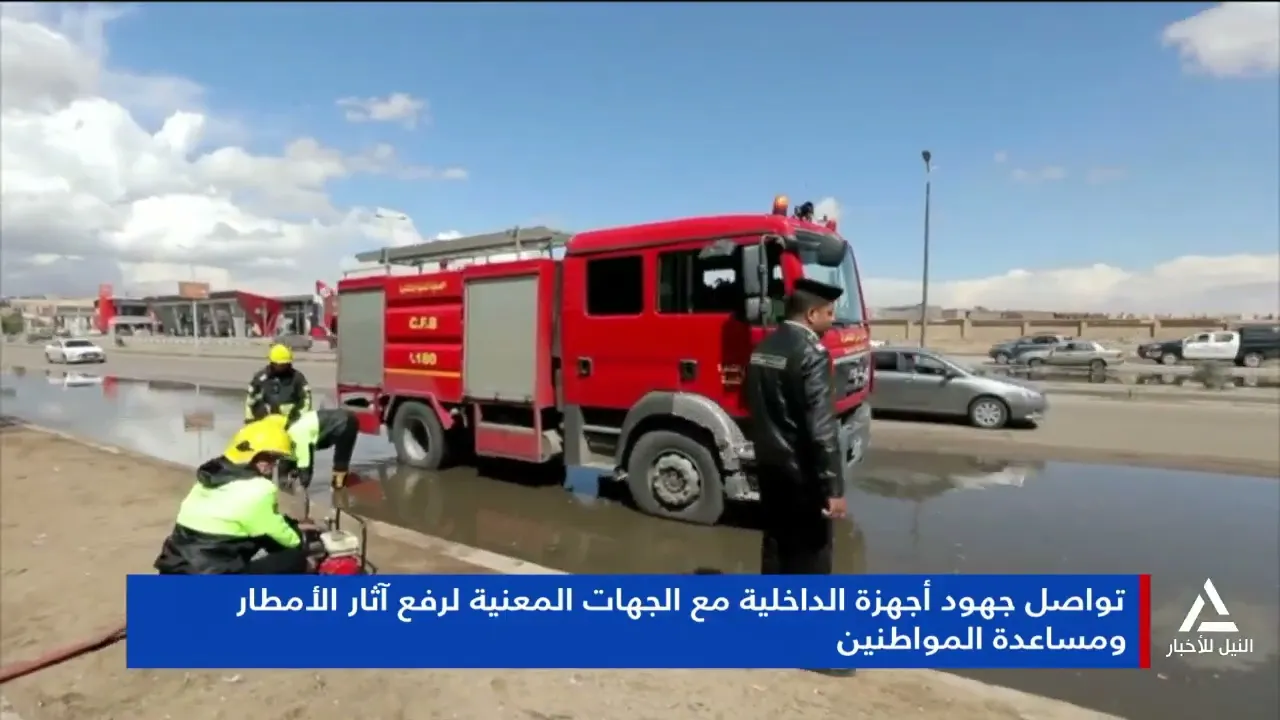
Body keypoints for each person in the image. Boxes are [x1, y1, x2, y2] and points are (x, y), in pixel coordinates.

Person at [743, 277, 848, 576]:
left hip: (770, 470)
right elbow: (822, 429)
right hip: (803, 478)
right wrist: (833, 488)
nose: (833, 320)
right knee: (811, 556)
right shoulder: (811, 354)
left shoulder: (764, 347)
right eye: (829, 313)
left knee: (775, 546)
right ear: (811, 315)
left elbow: (755, 406)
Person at [154, 417, 311, 574]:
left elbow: (245, 518)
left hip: (173, 568)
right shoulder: (259, 488)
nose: (273, 465)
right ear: (253, 456)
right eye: (270, 458)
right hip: (210, 579)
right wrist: (304, 539)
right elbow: (287, 538)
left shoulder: (207, 480)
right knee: (295, 559)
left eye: (275, 460)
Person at [285, 408, 360, 490]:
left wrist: (302, 486)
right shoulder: (293, 430)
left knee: (341, 459)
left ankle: (338, 489)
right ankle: (338, 486)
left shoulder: (298, 436)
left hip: (346, 422)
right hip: (333, 420)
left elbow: (305, 463)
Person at [244, 344, 312, 424]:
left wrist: (299, 417)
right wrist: (249, 419)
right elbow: (250, 400)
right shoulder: (261, 378)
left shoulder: (297, 378)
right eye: (279, 365)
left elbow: (306, 400)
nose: (282, 367)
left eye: (284, 364)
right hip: (265, 421)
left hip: (291, 421)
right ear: (272, 363)